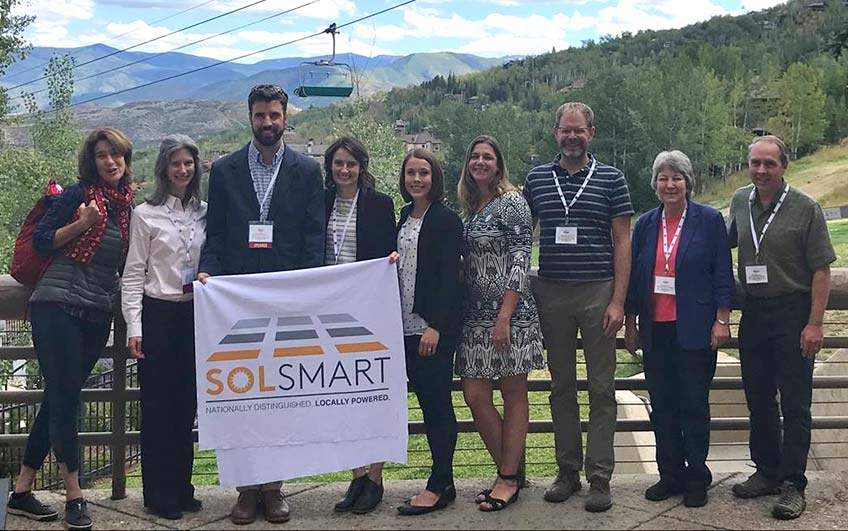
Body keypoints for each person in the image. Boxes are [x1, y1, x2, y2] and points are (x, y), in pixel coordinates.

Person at [197, 84, 324, 525]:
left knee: (281, 398)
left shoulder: (307, 170)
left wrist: (306, 287)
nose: (267, 123)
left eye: (274, 115)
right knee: (242, 396)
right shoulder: (225, 170)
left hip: (287, 302)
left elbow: (313, 237)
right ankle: (245, 490)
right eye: (260, 115)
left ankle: (273, 488)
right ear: (249, 117)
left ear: (286, 117)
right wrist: (208, 275)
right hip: (237, 303)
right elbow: (216, 234)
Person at [8, 128, 135, 531]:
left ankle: (21, 491)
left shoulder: (127, 206)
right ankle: (74, 495)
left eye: (116, 154)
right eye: (102, 155)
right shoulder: (76, 195)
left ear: (126, 159)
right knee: (66, 401)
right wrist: (83, 223)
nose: (111, 162)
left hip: (96, 313)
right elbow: (42, 241)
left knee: (58, 399)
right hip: (56, 306)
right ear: (91, 162)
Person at [522, 101, 634, 512]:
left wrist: (619, 300)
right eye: (565, 130)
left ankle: (600, 477)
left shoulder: (612, 178)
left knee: (602, 388)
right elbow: (520, 234)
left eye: (579, 130)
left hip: (598, 292)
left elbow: (623, 240)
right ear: (555, 133)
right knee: (561, 387)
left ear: (591, 133)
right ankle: (567, 472)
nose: (572, 137)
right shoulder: (536, 179)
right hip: (551, 292)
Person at [728, 135, 835, 520]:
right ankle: (767, 472)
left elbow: (821, 270)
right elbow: (722, 245)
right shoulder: (740, 201)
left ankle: (793, 484)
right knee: (758, 398)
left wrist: (815, 323)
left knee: (794, 402)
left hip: (794, 312)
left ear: (784, 166)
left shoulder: (806, 208)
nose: (761, 171)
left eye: (769, 164)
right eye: (755, 163)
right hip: (754, 312)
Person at [624, 150, 733, 508]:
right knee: (663, 405)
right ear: (655, 184)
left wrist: (722, 319)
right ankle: (669, 475)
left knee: (694, 406)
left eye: (676, 178)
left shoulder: (709, 220)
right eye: (663, 178)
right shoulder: (645, 224)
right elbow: (636, 278)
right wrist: (631, 323)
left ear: (688, 182)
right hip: (656, 330)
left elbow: (722, 272)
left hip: (696, 329)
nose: (670, 184)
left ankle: (697, 477)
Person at [455, 135, 544, 511]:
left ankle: (507, 478)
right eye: (474, 156)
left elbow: (522, 260)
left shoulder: (512, 202)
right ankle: (509, 472)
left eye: (487, 157)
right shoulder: (470, 207)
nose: (480, 162)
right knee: (475, 396)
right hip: (474, 317)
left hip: (512, 315)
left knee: (513, 393)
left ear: (498, 164)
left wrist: (504, 317)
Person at [121, 134, 207, 520]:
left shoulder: (205, 212)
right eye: (176, 163)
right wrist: (134, 326)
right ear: (164, 168)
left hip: (195, 315)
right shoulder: (145, 214)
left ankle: (182, 488)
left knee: (186, 406)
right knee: (158, 408)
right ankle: (158, 494)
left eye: (188, 163)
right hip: (158, 315)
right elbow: (133, 274)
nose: (183, 170)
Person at [322, 137, 396, 514]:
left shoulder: (379, 204)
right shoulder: (319, 202)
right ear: (330, 167)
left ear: (361, 167)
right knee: (341, 398)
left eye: (351, 164)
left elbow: (388, 252)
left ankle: (376, 478)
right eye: (338, 163)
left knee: (372, 395)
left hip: (369, 312)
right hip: (327, 314)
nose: (344, 170)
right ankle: (356, 476)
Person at [389, 149, 462, 516]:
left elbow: (450, 278)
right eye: (411, 173)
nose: (416, 179)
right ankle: (441, 481)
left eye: (423, 173)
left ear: (435, 178)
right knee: (424, 402)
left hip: (430, 329)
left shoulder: (446, 220)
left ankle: (440, 484)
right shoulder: (403, 216)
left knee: (437, 406)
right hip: (401, 326)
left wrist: (435, 325)